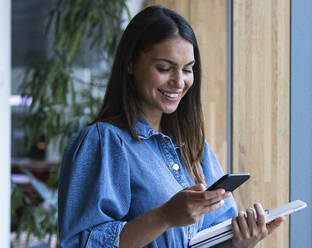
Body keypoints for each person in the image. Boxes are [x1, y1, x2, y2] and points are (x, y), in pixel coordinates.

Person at [58, 5, 285, 248]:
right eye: (164, 68)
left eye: (188, 69)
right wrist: (164, 216)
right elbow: (82, 244)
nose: (179, 81)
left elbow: (207, 239)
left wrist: (240, 242)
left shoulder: (195, 148)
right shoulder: (103, 143)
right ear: (130, 64)